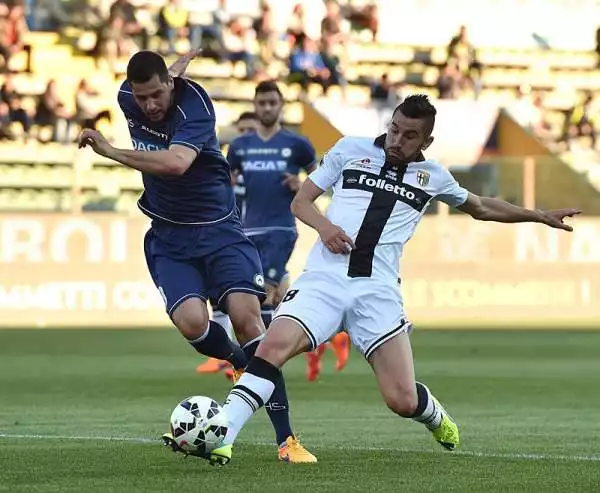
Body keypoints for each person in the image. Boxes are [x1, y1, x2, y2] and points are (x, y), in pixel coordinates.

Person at [203, 94, 580, 465]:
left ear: (426, 141)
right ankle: (223, 435)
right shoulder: (350, 149)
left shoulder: (433, 177)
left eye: (409, 135)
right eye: (394, 129)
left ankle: (432, 415)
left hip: (377, 292)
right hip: (324, 280)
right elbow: (302, 200)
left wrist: (538, 215)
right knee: (273, 347)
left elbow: (481, 207)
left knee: (402, 400)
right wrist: (326, 227)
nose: (397, 140)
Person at [77, 50, 316, 463]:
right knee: (192, 323)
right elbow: (152, 84)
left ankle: (287, 440)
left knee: (247, 318)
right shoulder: (126, 96)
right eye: (142, 96)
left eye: (157, 94)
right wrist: (168, 72)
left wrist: (111, 151)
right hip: (169, 238)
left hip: (220, 231)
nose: (150, 105)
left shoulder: (195, 107)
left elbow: (175, 163)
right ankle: (244, 365)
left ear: (170, 86)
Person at [197, 111, 260, 377]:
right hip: (230, 238)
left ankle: (327, 337)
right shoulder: (225, 165)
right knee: (219, 297)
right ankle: (224, 357)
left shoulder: (265, 165)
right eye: (241, 130)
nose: (246, 136)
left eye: (251, 131)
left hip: (259, 236)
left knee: (268, 298)